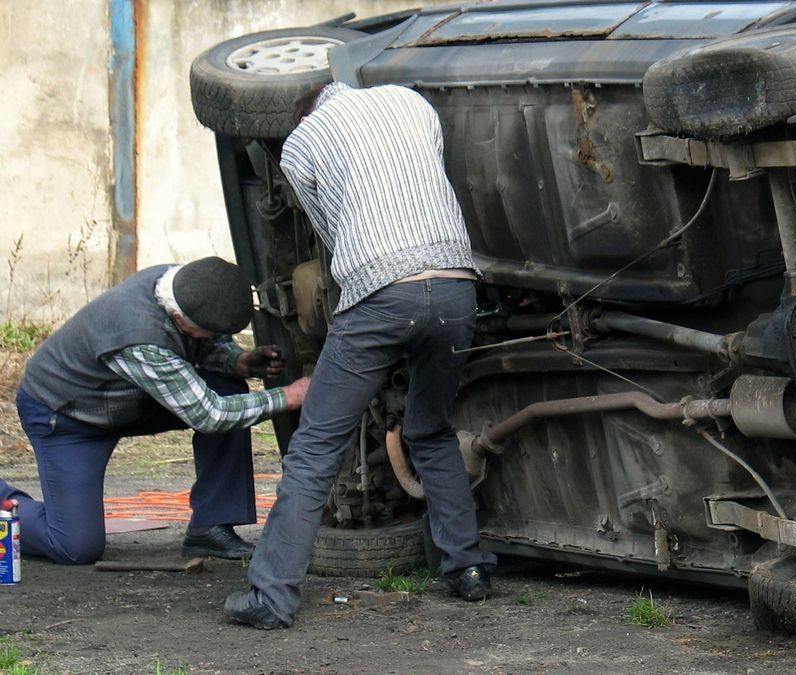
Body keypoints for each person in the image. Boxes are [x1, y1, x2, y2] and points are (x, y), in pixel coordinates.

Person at [224, 82, 495, 630]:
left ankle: (270, 597)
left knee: (315, 449)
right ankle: (468, 569)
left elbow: (329, 235)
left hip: (379, 292)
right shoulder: (410, 100)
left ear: (303, 111)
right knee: (431, 429)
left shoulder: (301, 143)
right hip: (456, 285)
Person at [0, 256, 311, 565]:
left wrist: (238, 361)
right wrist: (290, 395)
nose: (214, 337)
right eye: (208, 332)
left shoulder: (182, 283)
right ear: (180, 320)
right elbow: (210, 415)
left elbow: (203, 346)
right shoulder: (139, 337)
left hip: (128, 397)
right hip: (66, 417)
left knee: (227, 387)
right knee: (74, 546)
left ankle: (210, 527)